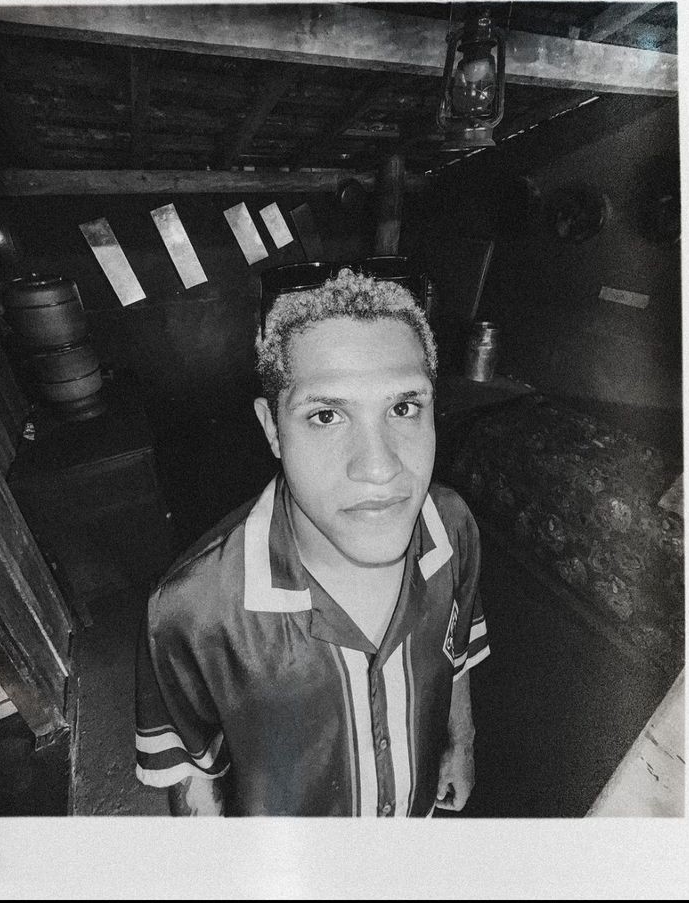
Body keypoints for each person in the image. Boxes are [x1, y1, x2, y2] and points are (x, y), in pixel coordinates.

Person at [135, 267, 489, 816]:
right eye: (326, 415)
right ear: (273, 429)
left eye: (403, 408)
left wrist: (460, 742)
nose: (379, 467)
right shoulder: (190, 610)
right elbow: (193, 781)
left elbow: (455, 650)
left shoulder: (452, 525)